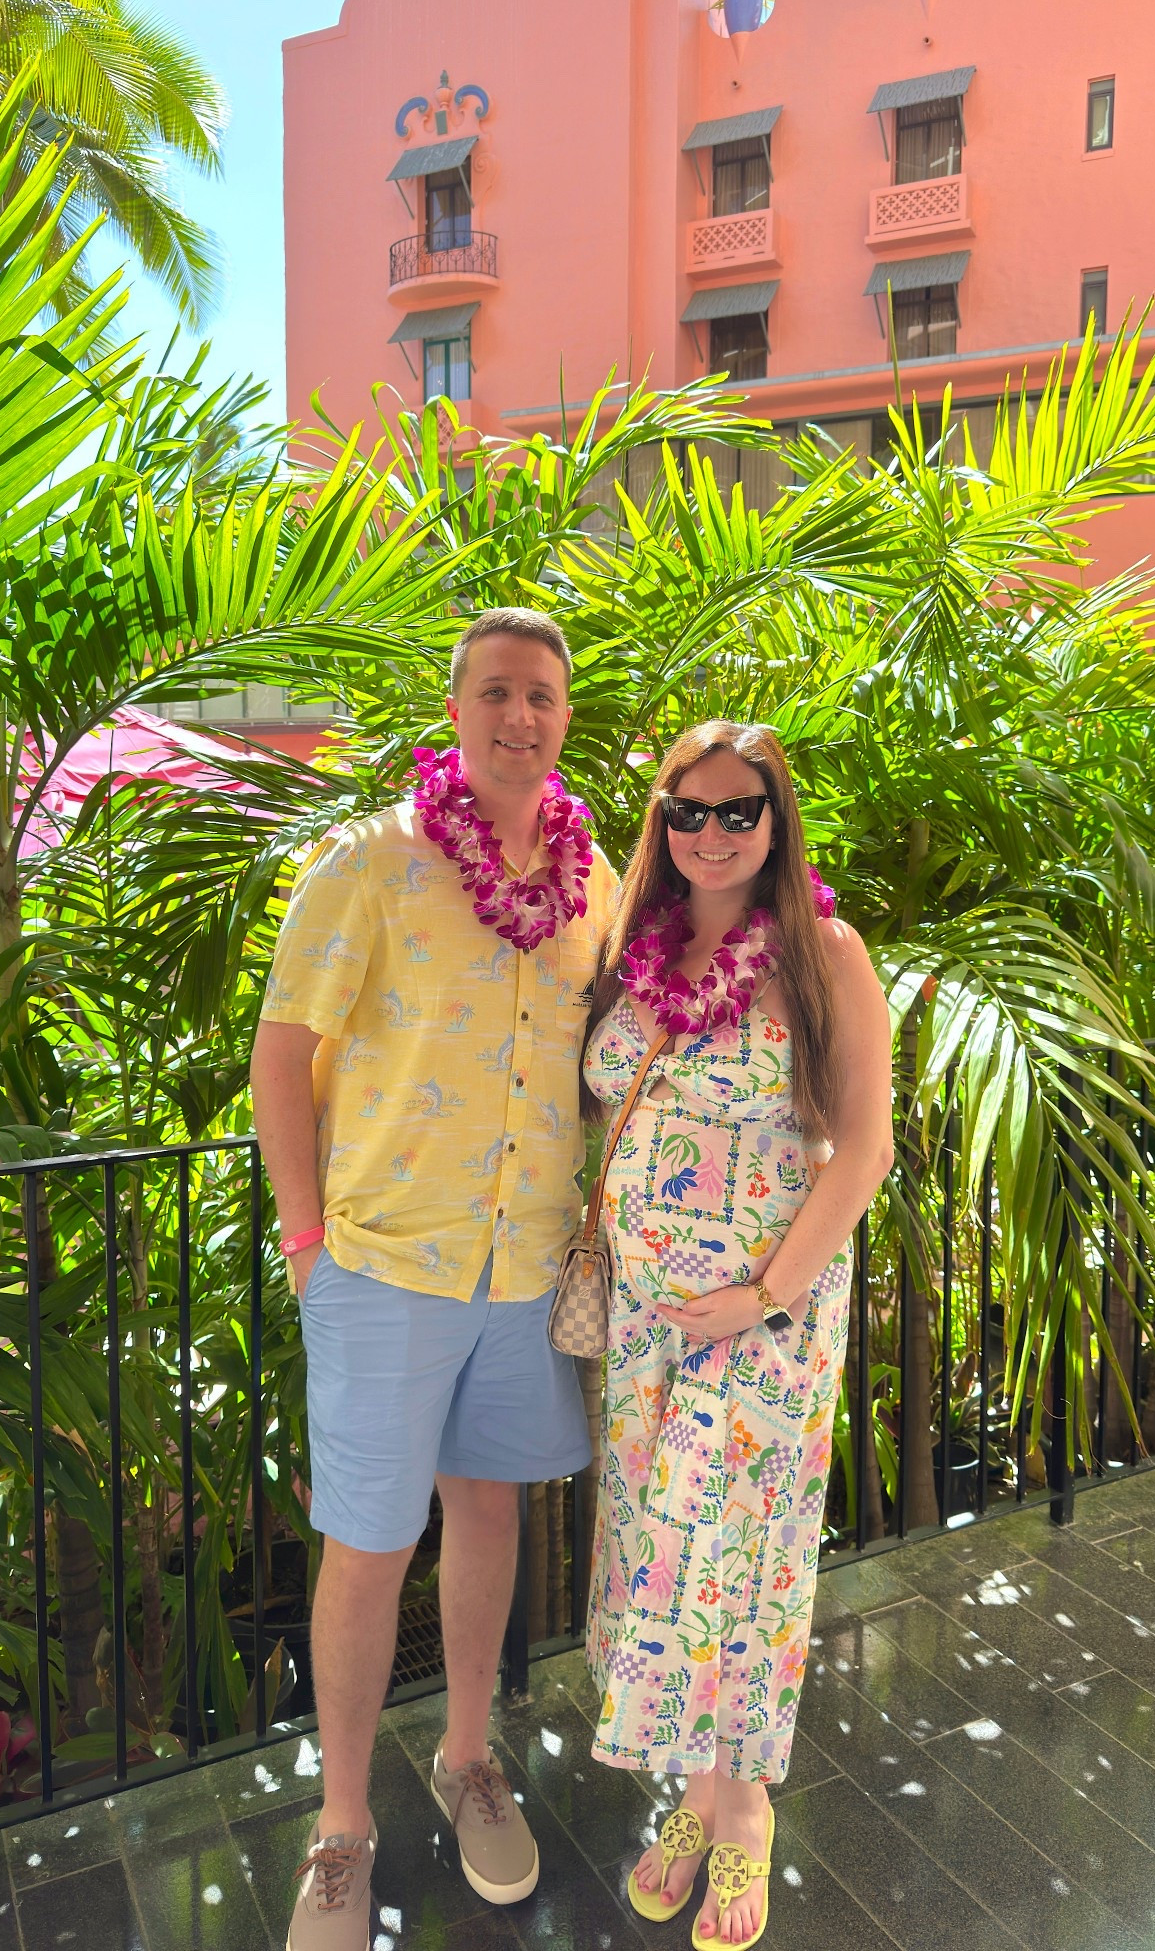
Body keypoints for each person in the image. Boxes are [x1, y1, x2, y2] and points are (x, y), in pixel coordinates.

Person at [251, 607, 619, 1949]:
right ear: (455, 708)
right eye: (499, 693)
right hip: (386, 1263)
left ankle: (470, 1757)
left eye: (545, 697)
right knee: (364, 1547)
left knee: (489, 1518)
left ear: (565, 717)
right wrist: (307, 1241)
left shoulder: (597, 882)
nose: (523, 718)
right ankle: (340, 1826)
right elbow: (282, 1053)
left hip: (525, 1264)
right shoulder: (371, 864)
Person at [581, 721, 894, 1949]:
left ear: (777, 818)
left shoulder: (825, 953)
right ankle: (700, 1791)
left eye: (739, 810)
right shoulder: (634, 949)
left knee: (738, 1558)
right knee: (664, 1559)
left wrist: (763, 1292)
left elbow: (862, 1147)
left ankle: (743, 1808)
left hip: (766, 1317)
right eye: (688, 812)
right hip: (649, 1320)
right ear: (660, 822)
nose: (712, 834)